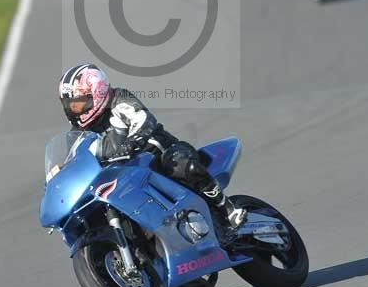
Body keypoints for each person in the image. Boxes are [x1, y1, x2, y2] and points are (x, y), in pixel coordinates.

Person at [58, 64, 246, 234]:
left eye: (79, 103)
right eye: (71, 106)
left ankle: (227, 210)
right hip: (125, 176)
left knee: (183, 165)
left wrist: (131, 142)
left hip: (161, 154)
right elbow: (76, 161)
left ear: (97, 94)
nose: (75, 110)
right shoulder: (77, 135)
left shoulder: (119, 100)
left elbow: (142, 120)